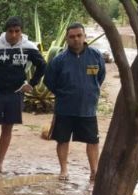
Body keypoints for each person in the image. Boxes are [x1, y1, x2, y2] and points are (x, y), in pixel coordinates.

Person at [0, 16, 46, 174]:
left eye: (17, 31)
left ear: (21, 31)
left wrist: (31, 84)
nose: (13, 34)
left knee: (7, 129)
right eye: (10, 31)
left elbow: (42, 65)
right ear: (6, 31)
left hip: (15, 94)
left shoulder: (28, 47)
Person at [43, 22, 106, 182]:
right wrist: (64, 93)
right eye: (72, 37)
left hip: (88, 109)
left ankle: (94, 171)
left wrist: (90, 91)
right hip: (65, 109)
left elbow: (100, 77)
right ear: (66, 39)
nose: (76, 39)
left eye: (79, 35)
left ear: (85, 36)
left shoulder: (96, 56)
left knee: (93, 141)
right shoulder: (59, 60)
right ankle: (63, 170)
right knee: (62, 140)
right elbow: (49, 81)